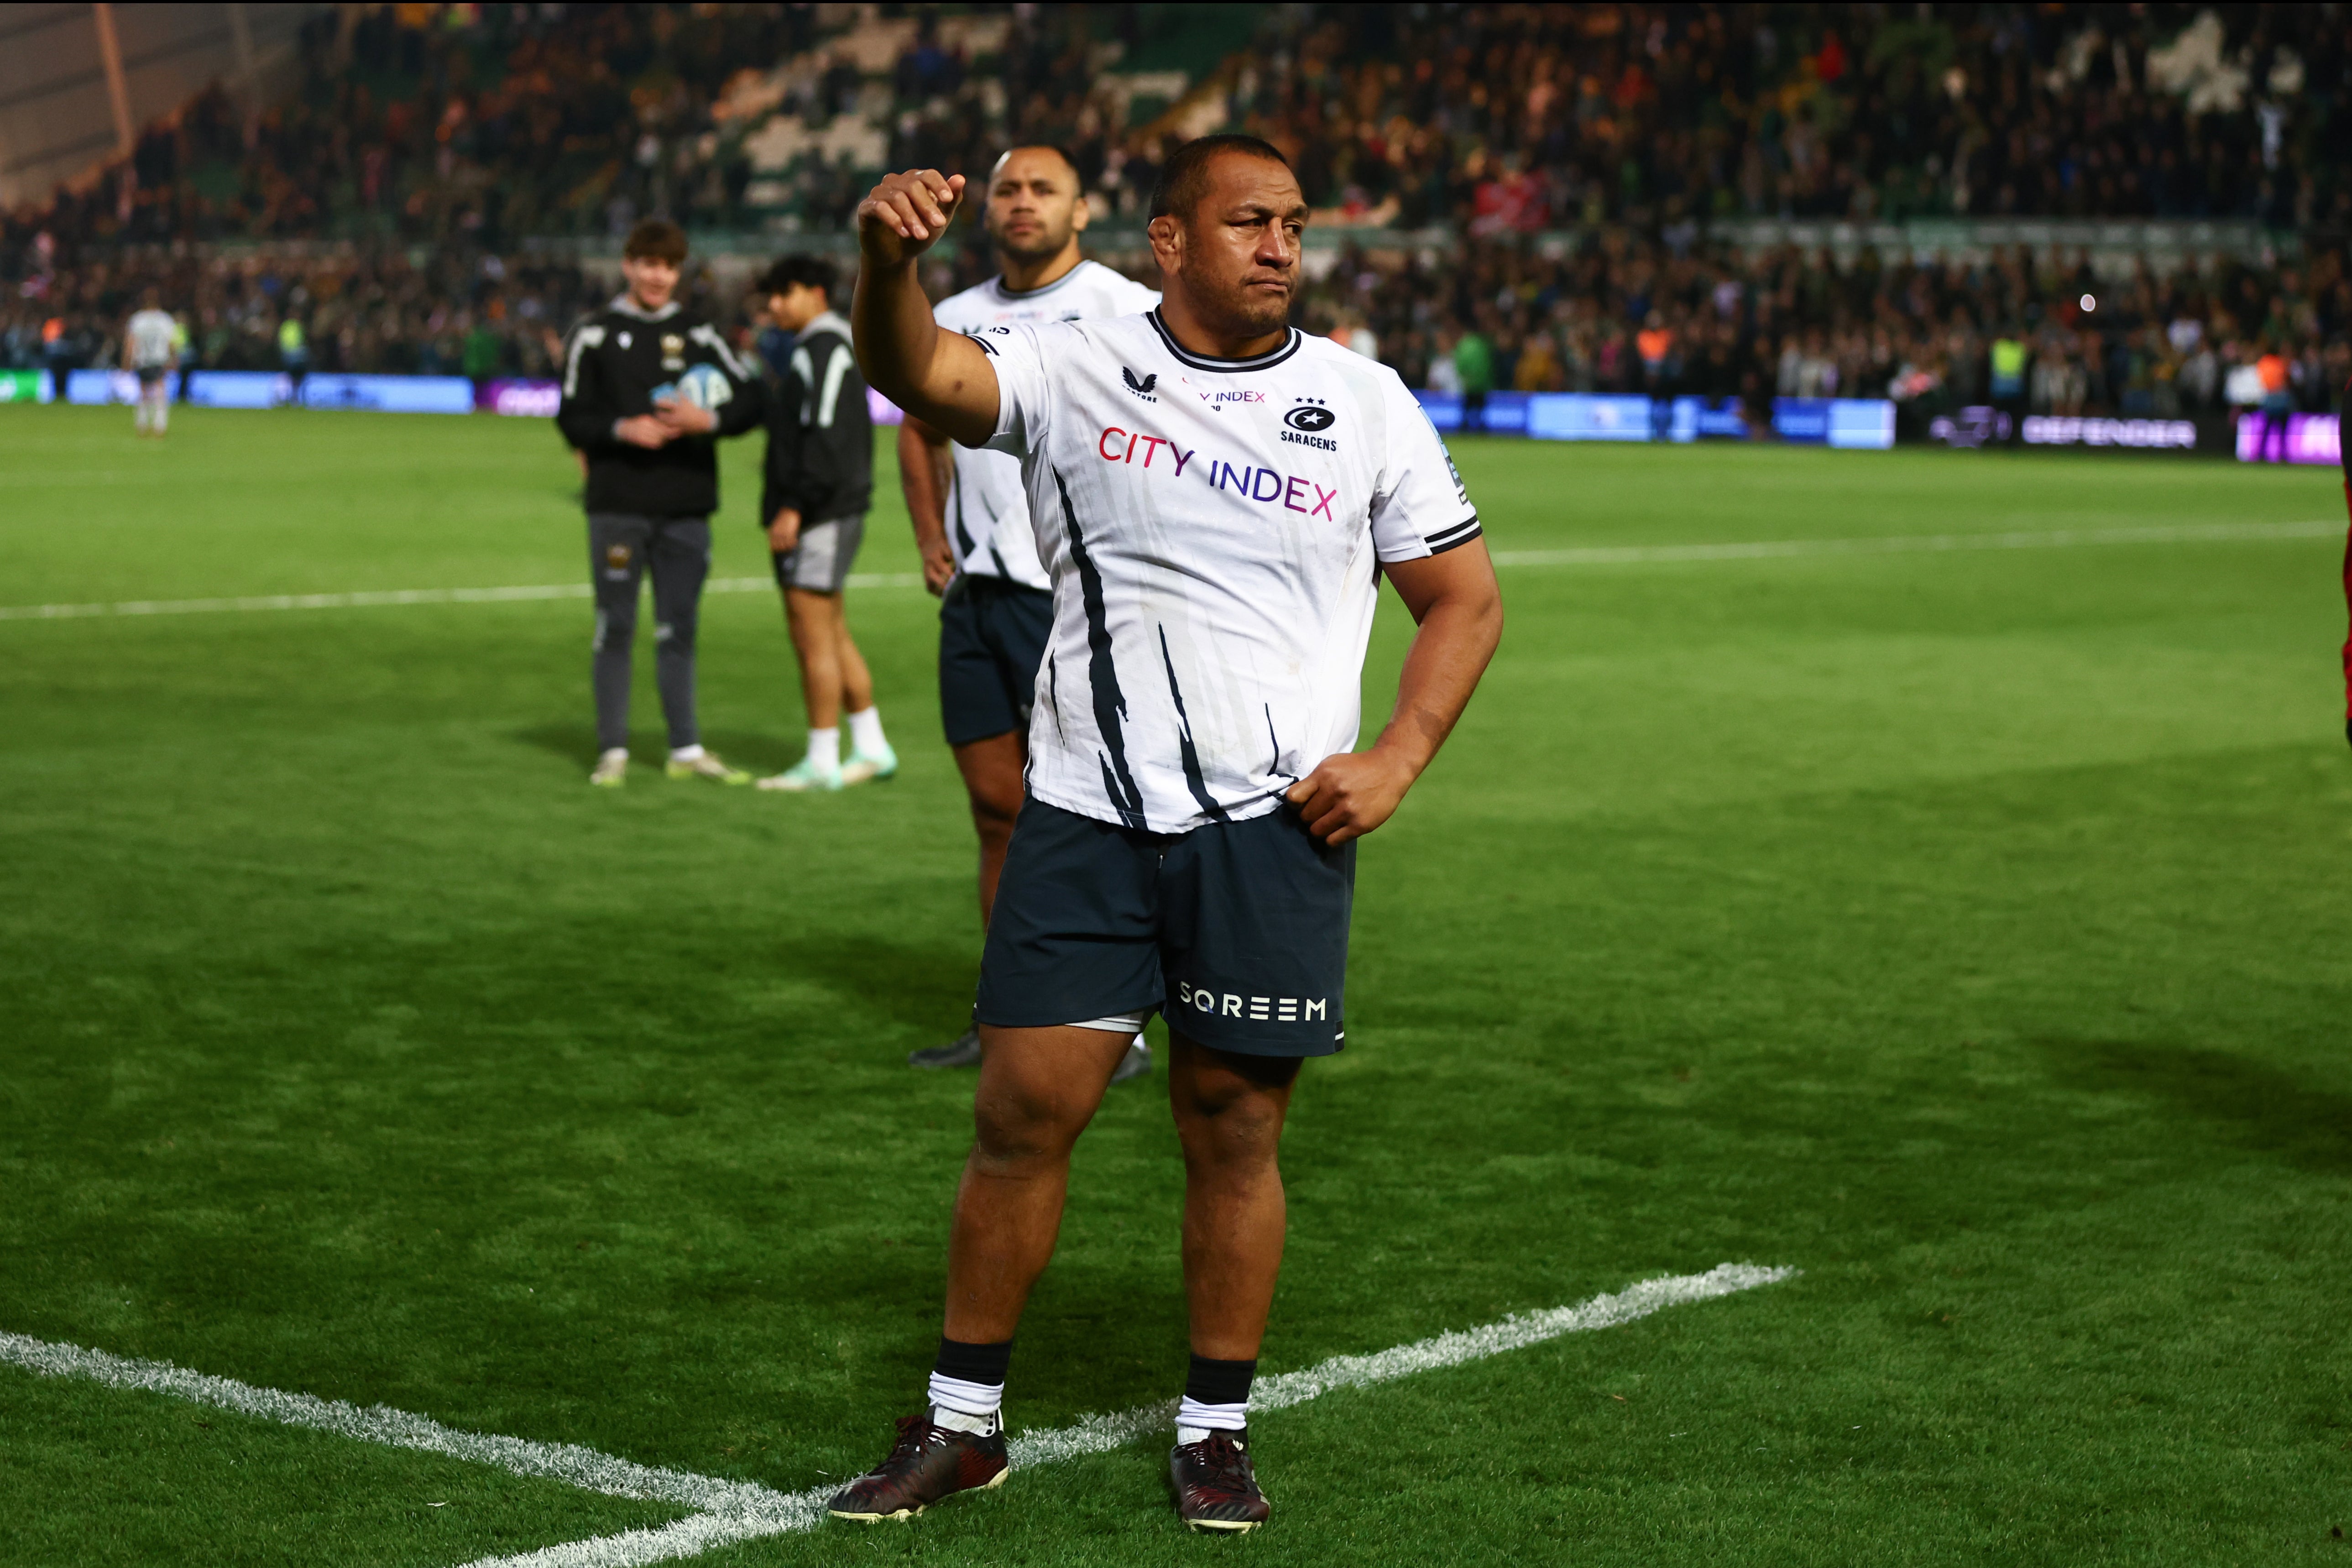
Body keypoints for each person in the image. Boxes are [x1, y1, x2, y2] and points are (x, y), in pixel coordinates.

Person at [828, 137, 1504, 1533]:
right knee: (1020, 1111)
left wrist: (1395, 757)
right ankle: (962, 1421)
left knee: (1233, 1121)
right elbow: (920, 376)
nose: (1277, 245)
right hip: (1083, 808)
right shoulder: (1077, 367)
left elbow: (1465, 599)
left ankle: (1214, 1425)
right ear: (1169, 241)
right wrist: (886, 261)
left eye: (1292, 225)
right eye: (1247, 221)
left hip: (1270, 826)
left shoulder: (1360, 402)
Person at [898, 145, 1159, 1078]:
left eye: (1043, 189)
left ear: (1081, 210)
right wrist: (930, 531)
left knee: (1101, 814)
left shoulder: (1126, 308)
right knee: (995, 812)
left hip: (1078, 603)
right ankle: (1004, 1014)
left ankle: (1116, 1025)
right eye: (1007, 187)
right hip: (976, 600)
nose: (1022, 203)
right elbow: (919, 425)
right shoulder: (955, 316)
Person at [555, 219, 763, 788]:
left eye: (668, 266)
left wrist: (708, 420)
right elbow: (570, 415)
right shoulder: (594, 333)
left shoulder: (701, 333)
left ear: (678, 272)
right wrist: (622, 429)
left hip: (686, 508)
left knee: (680, 629)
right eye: (647, 263)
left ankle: (686, 748)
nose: (657, 275)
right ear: (628, 265)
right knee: (615, 627)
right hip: (618, 505)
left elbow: (753, 398)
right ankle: (613, 750)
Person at [750, 256, 897, 792]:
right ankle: (872, 745)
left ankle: (820, 759)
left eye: (782, 293)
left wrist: (793, 505)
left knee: (812, 634)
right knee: (830, 631)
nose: (773, 306)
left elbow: (825, 438)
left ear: (814, 293)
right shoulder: (822, 347)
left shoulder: (824, 348)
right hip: (830, 508)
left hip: (822, 511)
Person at [122, 289, 177, 438]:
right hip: (159, 360)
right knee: (160, 393)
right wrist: (174, 359)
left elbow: (130, 343)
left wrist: (126, 362)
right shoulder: (165, 319)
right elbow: (171, 343)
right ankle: (160, 426)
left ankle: (142, 425)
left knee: (143, 394)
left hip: (142, 360)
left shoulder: (137, 320)